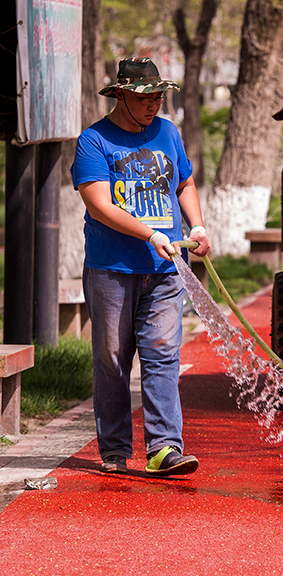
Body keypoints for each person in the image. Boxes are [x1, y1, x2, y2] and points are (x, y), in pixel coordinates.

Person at [71, 57, 211, 477]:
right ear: (121, 95)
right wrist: (150, 233)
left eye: (159, 96)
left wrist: (197, 224)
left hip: (167, 269)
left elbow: (184, 182)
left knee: (163, 353)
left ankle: (165, 447)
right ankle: (114, 449)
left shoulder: (168, 132)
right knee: (113, 359)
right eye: (144, 97)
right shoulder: (94, 141)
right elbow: (98, 205)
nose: (154, 104)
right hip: (112, 268)